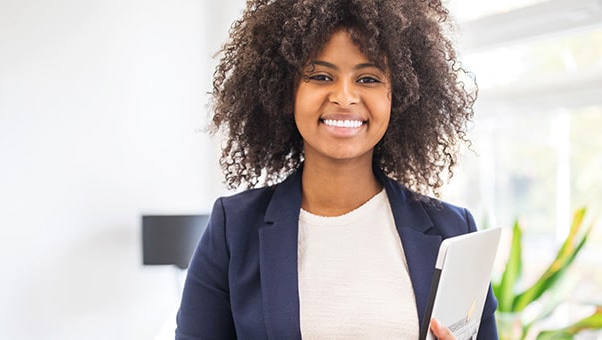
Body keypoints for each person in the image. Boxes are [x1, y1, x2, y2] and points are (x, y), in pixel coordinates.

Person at [175, 0, 497, 338]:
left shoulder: (453, 230)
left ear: (398, 96)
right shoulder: (233, 231)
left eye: (369, 78)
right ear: (286, 92)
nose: (345, 97)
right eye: (321, 75)